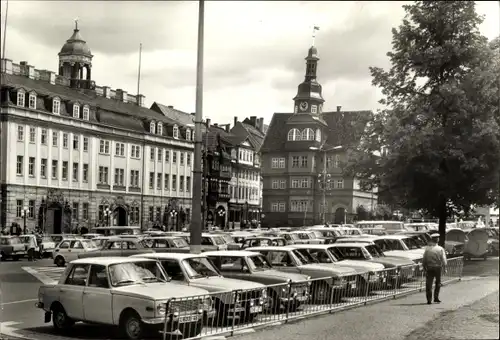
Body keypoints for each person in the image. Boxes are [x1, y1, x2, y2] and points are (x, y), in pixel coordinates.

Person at [422, 237, 447, 304]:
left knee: (429, 284)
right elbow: (443, 260)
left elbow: (424, 259)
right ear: (437, 240)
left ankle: (429, 299)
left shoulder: (427, 249)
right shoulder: (440, 249)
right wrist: (445, 268)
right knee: (438, 283)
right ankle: (436, 297)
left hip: (429, 267)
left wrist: (424, 267)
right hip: (438, 268)